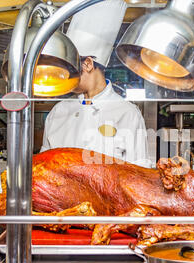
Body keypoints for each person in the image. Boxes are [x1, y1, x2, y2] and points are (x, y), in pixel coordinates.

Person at [40, 0, 151, 168]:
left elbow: (139, 173)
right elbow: (44, 167)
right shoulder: (58, 112)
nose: (63, 77)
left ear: (88, 64)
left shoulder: (127, 113)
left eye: (67, 69)